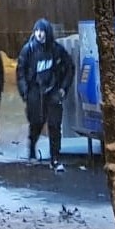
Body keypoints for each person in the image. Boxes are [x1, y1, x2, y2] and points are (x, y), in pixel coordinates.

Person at [16, 18, 75, 169]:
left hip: (53, 91)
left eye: (42, 31)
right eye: (37, 31)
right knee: (36, 123)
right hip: (35, 92)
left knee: (54, 125)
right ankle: (32, 150)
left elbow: (69, 67)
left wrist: (63, 88)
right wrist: (25, 91)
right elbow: (21, 71)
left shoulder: (57, 50)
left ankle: (55, 157)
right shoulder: (28, 50)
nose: (39, 34)